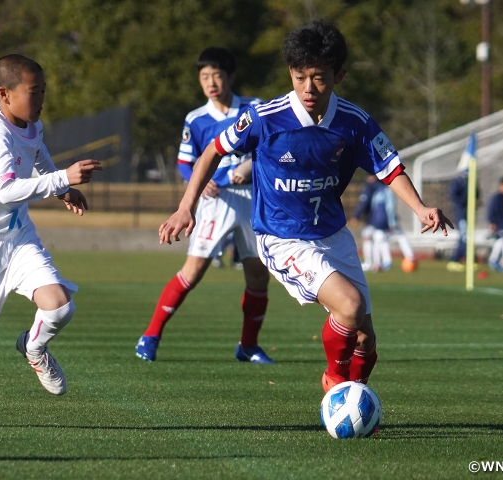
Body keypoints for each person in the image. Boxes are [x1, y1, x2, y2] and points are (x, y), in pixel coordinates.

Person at [158, 21, 452, 393]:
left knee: (366, 342)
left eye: (320, 78)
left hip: (331, 233)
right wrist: (187, 207)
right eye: (300, 77)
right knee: (349, 305)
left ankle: (352, 401)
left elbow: (390, 168)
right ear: (290, 74)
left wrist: (421, 208)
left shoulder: (355, 122)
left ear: (339, 75)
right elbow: (212, 151)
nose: (309, 88)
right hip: (282, 236)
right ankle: (335, 383)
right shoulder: (265, 118)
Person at [0, 54, 102, 429]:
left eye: (43, 90)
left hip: (16, 237)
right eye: (34, 92)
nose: (42, 98)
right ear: (5, 94)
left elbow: (38, 155)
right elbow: (8, 190)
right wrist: (64, 177)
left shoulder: (31, 125)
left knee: (60, 307)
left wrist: (61, 189)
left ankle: (33, 346)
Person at [136, 47, 273, 364]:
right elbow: (185, 163)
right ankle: (151, 335)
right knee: (193, 270)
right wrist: (203, 181)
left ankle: (248, 346)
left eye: (217, 75)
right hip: (217, 201)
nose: (211, 82)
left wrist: (249, 166)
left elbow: (270, 147)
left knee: (258, 274)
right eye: (204, 76)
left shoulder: (255, 109)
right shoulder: (196, 119)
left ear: (231, 77)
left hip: (254, 199)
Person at [353, 175, 415, 271]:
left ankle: (375, 263)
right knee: (388, 238)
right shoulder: (384, 189)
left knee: (378, 239)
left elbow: (367, 203)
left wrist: (357, 215)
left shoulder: (373, 188)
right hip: (380, 220)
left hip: (375, 221)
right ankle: (402, 259)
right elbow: (389, 207)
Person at [446, 167, 479, 272]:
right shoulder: (458, 182)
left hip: (469, 214)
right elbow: (453, 195)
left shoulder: (472, 182)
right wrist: (466, 201)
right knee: (464, 237)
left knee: (467, 236)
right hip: (461, 213)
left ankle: (467, 260)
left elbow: (477, 194)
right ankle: (455, 260)